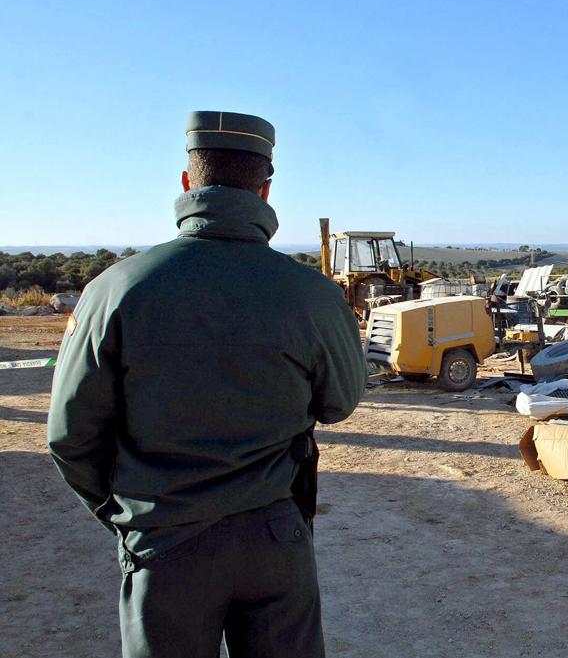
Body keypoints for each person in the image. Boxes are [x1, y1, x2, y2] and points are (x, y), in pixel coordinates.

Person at [47, 111, 366, 658]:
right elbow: (338, 404)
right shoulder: (312, 295)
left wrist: (128, 518)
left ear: (187, 182)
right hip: (274, 536)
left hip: (164, 538)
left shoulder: (115, 290)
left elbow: (71, 435)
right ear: (266, 188)